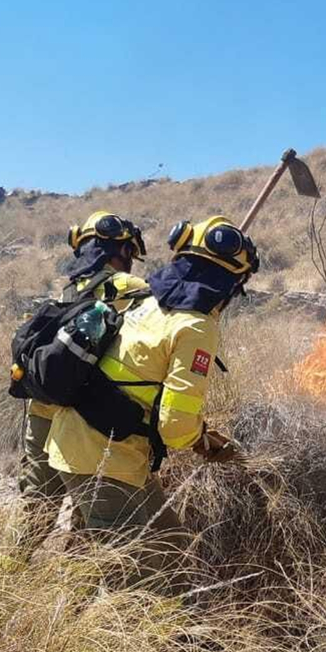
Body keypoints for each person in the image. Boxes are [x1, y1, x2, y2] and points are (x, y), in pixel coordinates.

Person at [43, 214, 253, 585]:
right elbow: (175, 428)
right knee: (144, 579)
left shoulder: (147, 302)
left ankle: (67, 618)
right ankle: (110, 638)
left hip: (80, 443)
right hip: (103, 459)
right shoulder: (196, 326)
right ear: (231, 282)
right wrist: (205, 442)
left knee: (169, 545)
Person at [0, 211, 150, 564]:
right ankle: (74, 595)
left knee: (36, 504)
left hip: (43, 409)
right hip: (87, 423)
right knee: (90, 518)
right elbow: (170, 312)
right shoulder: (127, 288)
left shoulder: (70, 289)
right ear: (123, 250)